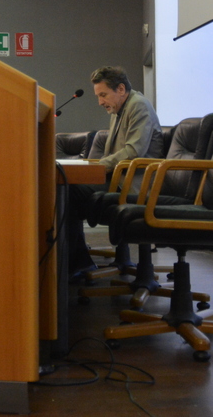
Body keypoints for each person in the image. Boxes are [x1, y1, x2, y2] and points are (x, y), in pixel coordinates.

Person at [67, 66, 164, 276]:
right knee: (68, 188)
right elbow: (115, 154)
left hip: (136, 184)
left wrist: (98, 167)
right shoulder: (119, 108)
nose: (100, 102)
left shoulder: (139, 106)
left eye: (103, 95)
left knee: (70, 192)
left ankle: (77, 262)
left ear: (120, 89)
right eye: (98, 96)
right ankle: (76, 260)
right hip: (120, 178)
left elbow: (133, 151)